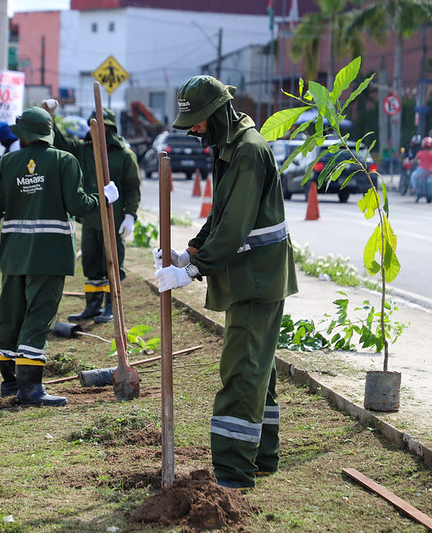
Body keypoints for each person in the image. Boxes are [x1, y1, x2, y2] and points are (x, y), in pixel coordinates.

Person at [153, 75, 298, 491]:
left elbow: (234, 226)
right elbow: (220, 214)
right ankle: (262, 458)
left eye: (198, 122)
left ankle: (234, 472)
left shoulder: (248, 151)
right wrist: (190, 252)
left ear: (217, 113)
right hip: (250, 277)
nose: (195, 130)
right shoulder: (229, 148)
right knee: (258, 369)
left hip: (257, 279)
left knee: (242, 372)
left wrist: (193, 270)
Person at [0, 106, 120, 407]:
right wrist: (104, 198)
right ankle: (30, 389)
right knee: (39, 315)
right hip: (49, 253)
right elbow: (78, 205)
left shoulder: (7, 162)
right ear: (48, 134)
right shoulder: (64, 160)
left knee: (11, 314)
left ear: (23, 136)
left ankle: (10, 381)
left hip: (14, 253)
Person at [42, 99, 141, 324]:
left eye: (101, 126)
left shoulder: (124, 156)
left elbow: (132, 188)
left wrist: (129, 216)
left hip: (113, 219)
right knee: (91, 264)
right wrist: (50, 116)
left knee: (112, 264)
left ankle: (111, 306)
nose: (95, 130)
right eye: (92, 125)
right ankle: (92, 306)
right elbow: (59, 143)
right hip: (90, 217)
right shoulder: (83, 150)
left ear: (111, 128)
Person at [410, 136, 432, 202]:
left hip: (421, 170)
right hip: (431, 170)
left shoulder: (420, 153)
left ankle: (414, 188)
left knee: (413, 176)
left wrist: (410, 162)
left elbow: (414, 160)